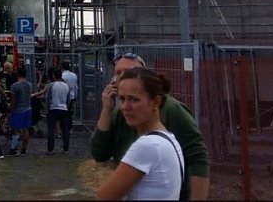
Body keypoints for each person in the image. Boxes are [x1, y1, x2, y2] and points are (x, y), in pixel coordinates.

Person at [91, 53, 210, 200]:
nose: (123, 77)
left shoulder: (170, 112)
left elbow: (198, 157)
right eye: (118, 72)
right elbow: (99, 153)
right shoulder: (119, 113)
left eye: (130, 72)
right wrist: (106, 109)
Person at [96, 67, 185, 200]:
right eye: (122, 99)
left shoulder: (148, 145)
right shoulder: (168, 139)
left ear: (156, 102)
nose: (125, 107)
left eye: (133, 99)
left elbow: (104, 197)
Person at [8, 66, 33, 156]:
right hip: (28, 109)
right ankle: (24, 149)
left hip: (18, 110)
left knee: (15, 130)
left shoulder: (15, 86)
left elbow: (13, 101)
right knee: (26, 129)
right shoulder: (29, 85)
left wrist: (10, 111)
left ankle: (13, 148)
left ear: (18, 74)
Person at [45, 68, 70, 155]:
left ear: (53, 76)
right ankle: (66, 149)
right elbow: (68, 99)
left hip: (53, 108)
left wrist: (47, 108)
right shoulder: (66, 86)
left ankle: (50, 149)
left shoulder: (51, 85)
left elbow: (48, 98)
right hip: (64, 108)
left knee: (51, 130)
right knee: (65, 130)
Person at [61, 60, 79, 132]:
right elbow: (75, 86)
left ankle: (64, 127)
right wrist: (76, 95)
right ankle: (70, 127)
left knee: (63, 112)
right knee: (69, 112)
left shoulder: (62, 75)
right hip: (72, 95)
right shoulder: (74, 75)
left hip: (64, 96)